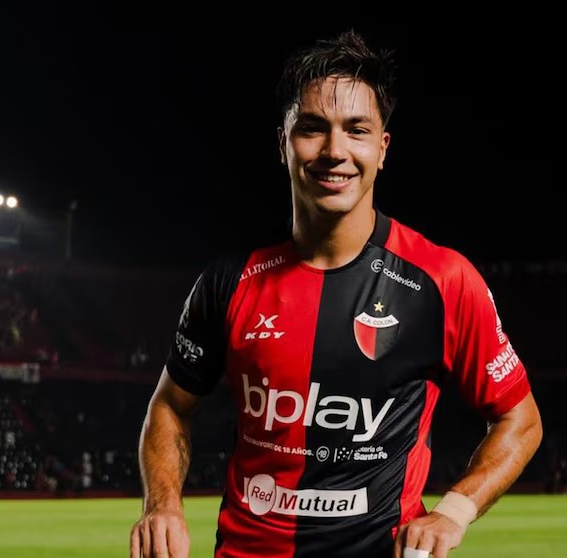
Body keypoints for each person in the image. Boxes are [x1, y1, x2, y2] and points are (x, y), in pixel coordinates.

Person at [129, 29, 543, 558]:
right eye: (312, 128)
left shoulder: (443, 280)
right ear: (282, 143)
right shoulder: (228, 282)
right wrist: (162, 505)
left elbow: (520, 420)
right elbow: (169, 405)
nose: (334, 151)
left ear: (382, 149)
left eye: (357, 130)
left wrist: (454, 512)